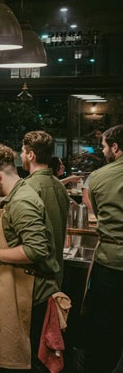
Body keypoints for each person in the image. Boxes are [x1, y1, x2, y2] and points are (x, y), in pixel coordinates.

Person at [0, 143, 59, 372]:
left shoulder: (22, 202)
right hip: (20, 290)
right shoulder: (17, 195)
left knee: (31, 365)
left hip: (32, 296)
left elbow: (36, 250)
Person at [84, 124, 123, 373]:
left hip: (110, 262)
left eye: (104, 146)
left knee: (104, 328)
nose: (103, 150)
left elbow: (97, 213)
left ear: (115, 148)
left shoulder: (99, 177)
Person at [21, 131, 70, 288]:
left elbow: (29, 245)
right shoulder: (59, 186)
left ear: (31, 155)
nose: (21, 155)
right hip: (56, 276)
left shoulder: (28, 187)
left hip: (35, 279)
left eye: (22, 151)